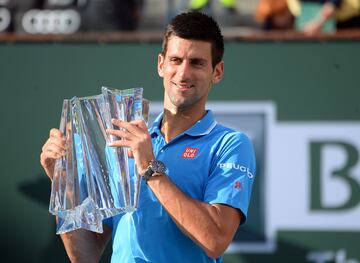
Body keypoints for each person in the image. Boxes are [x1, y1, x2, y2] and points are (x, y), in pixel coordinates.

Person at [40, 11, 256, 263]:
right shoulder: (124, 139)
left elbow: (215, 240)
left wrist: (149, 168)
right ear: (160, 64)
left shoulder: (230, 145)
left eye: (196, 62)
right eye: (176, 60)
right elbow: (85, 255)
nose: (183, 73)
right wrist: (62, 184)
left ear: (217, 72)